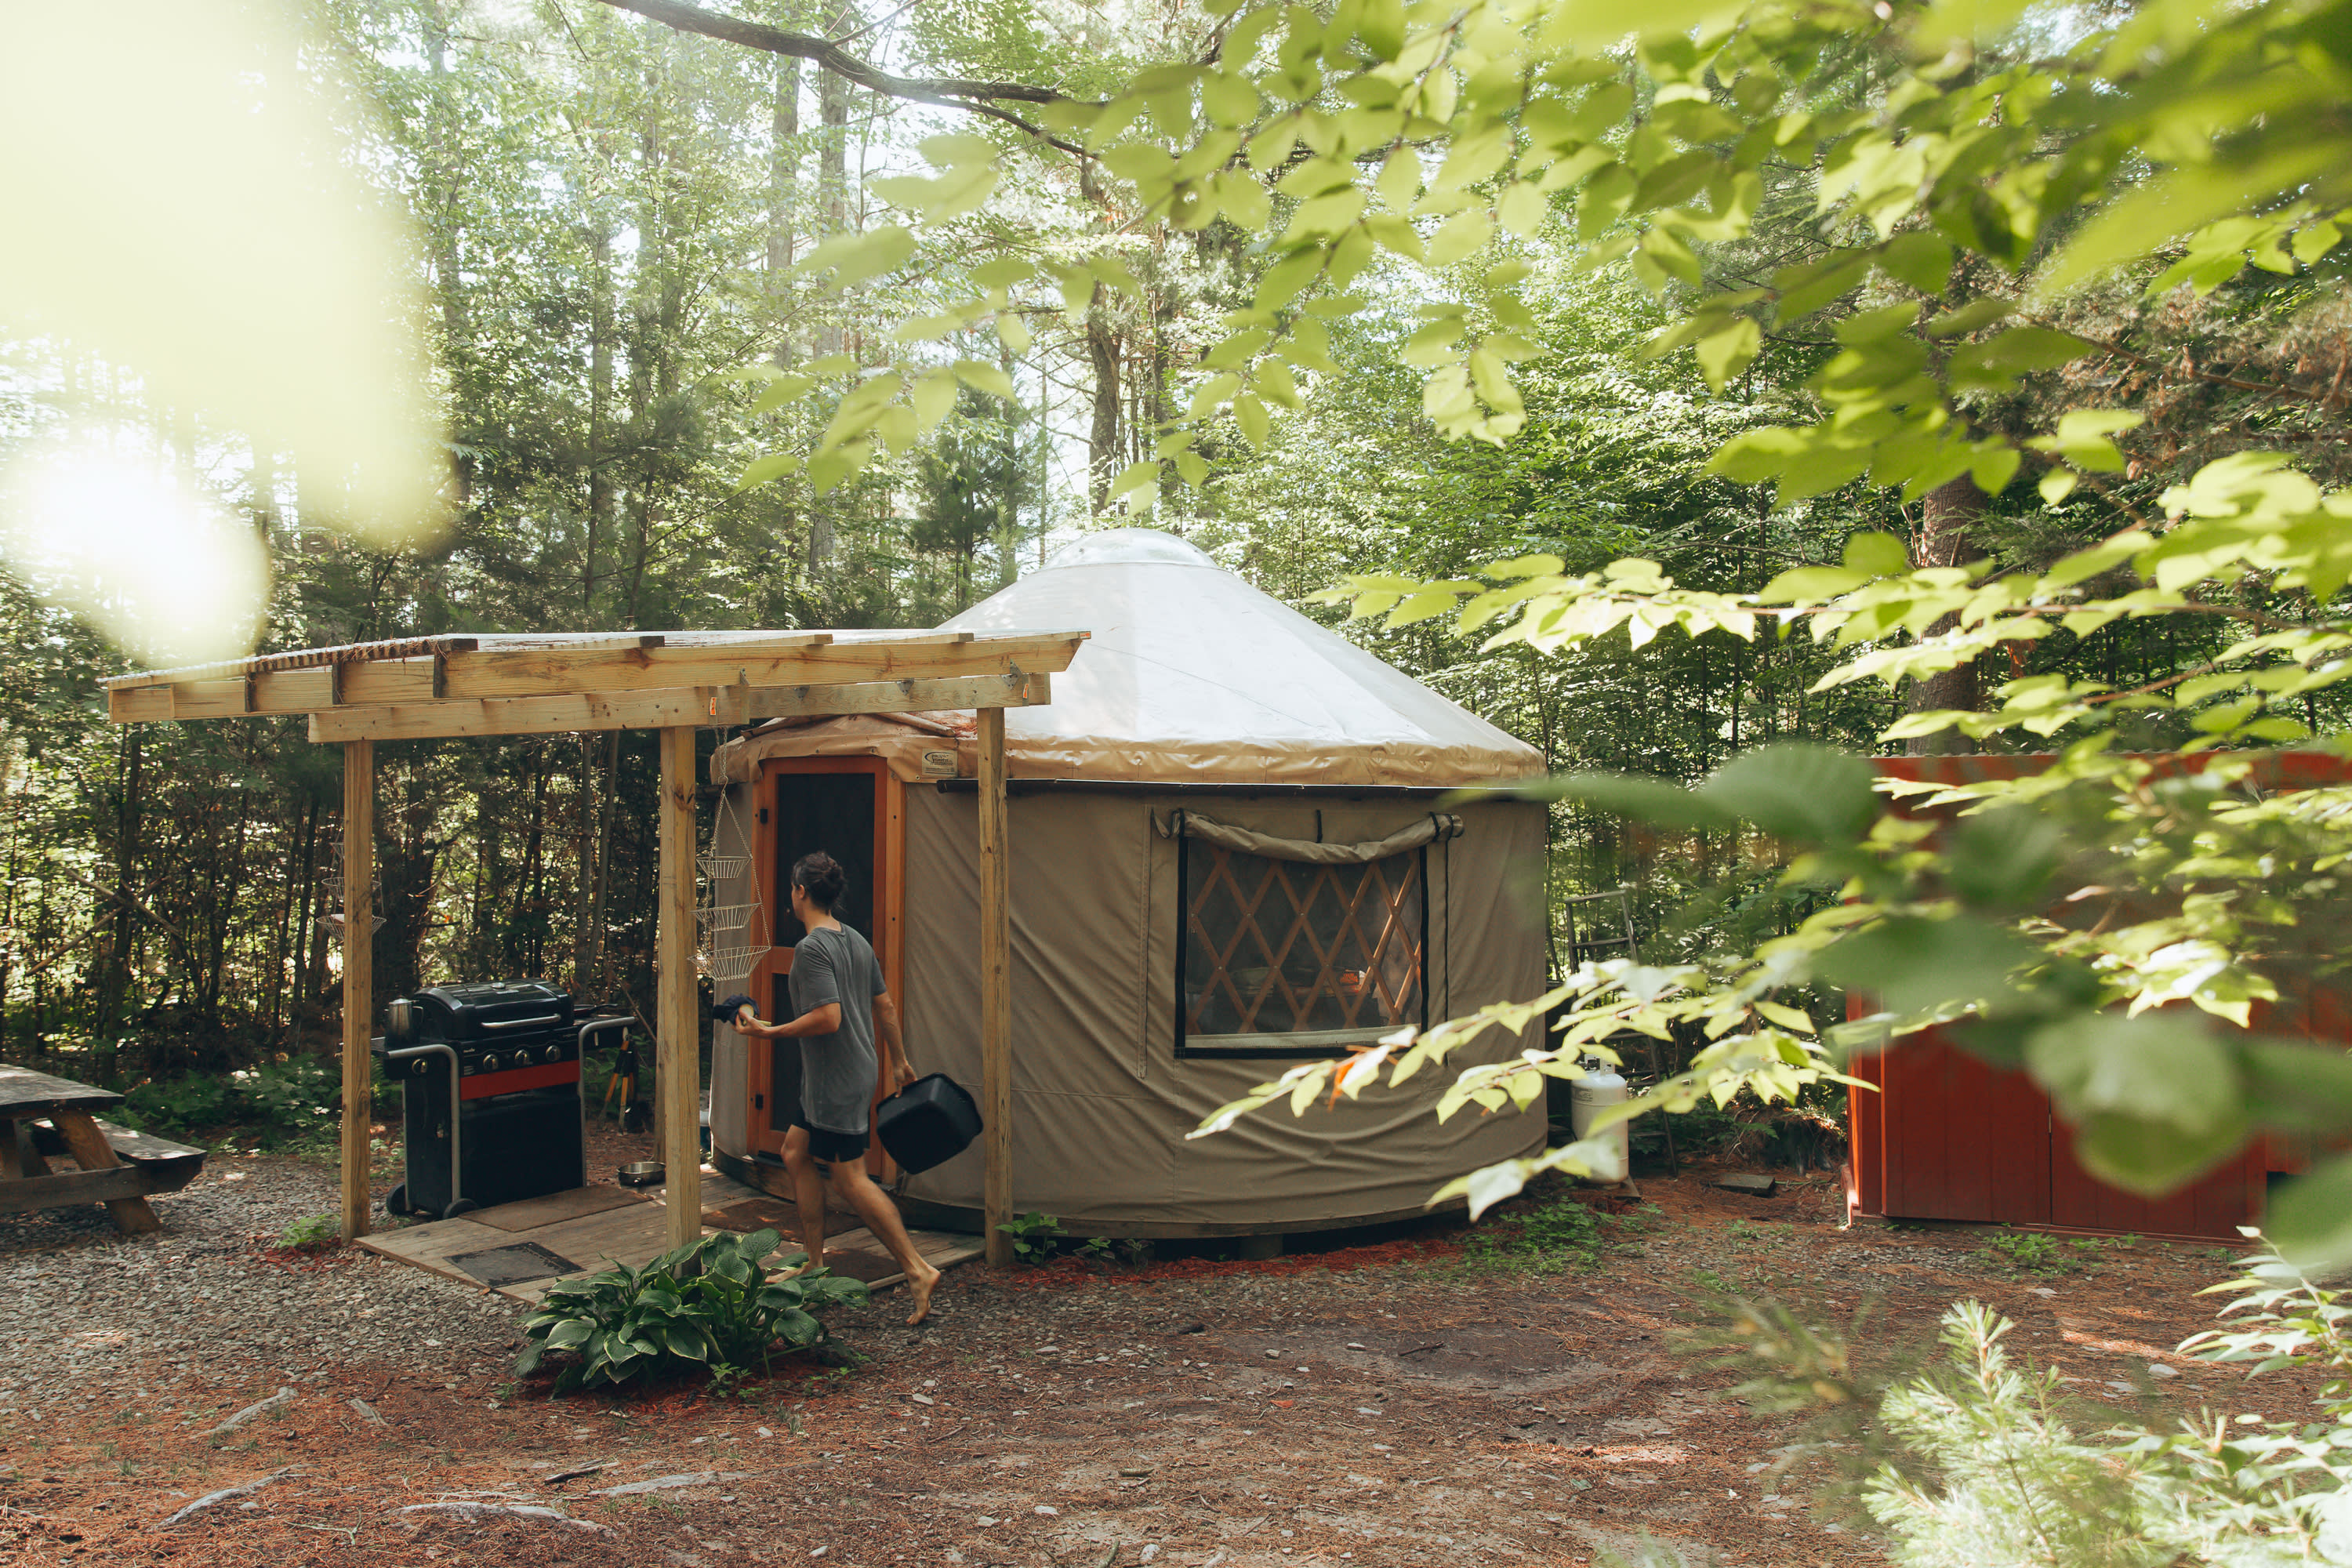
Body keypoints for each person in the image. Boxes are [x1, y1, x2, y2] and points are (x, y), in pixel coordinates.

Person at [731, 851, 941, 1326]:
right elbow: (883, 1007)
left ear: (801, 893)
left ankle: (918, 1269)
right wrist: (901, 1062)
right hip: (847, 1072)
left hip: (837, 1081)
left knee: (850, 1179)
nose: (791, 894)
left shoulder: (811, 950)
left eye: (791, 887)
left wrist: (768, 1033)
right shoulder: (855, 941)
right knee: (794, 1152)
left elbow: (829, 1019)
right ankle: (815, 1263)